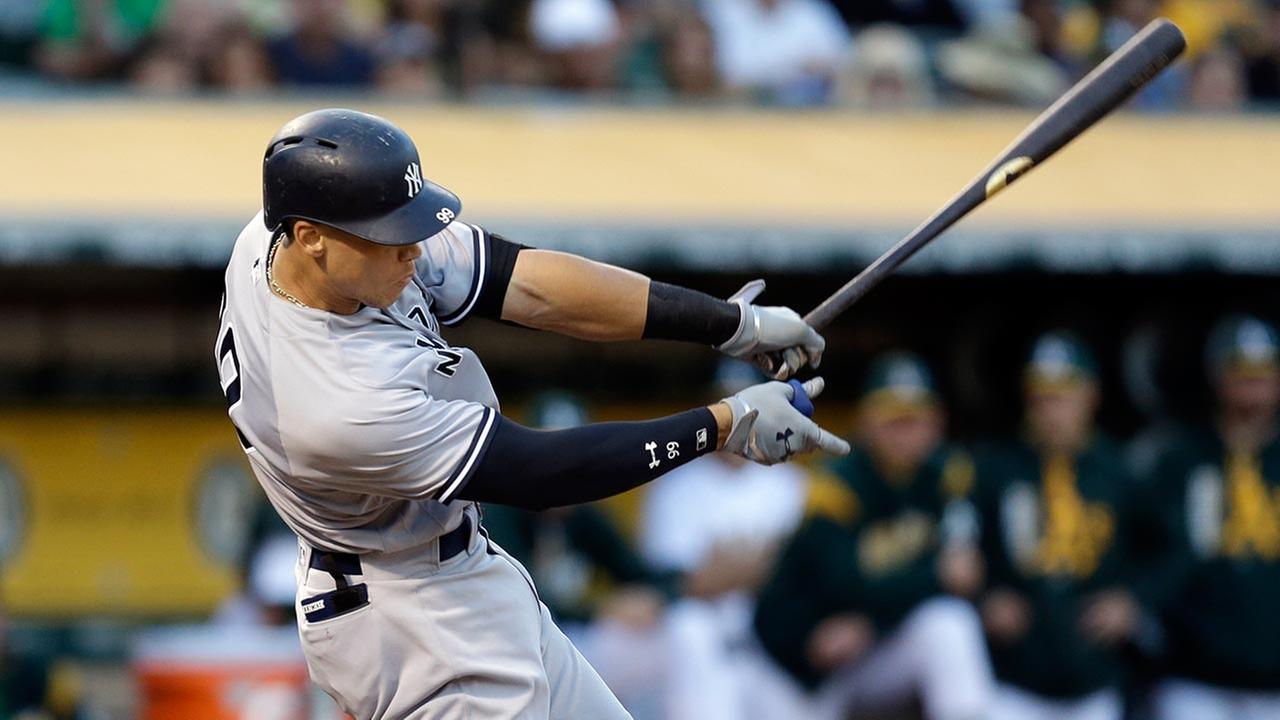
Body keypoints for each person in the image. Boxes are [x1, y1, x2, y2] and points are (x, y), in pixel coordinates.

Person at [214, 107, 848, 719]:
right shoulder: (336, 406)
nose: (412, 249)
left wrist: (730, 323)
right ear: (310, 238)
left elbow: (531, 285)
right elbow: (538, 471)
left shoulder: (280, 238)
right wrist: (723, 425)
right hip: (410, 618)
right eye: (388, 238)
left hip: (457, 574)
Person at [754, 352, 993, 720]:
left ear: (936, 422)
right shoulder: (835, 483)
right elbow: (845, 587)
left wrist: (873, 621)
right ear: (866, 421)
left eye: (914, 420)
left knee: (949, 624)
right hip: (796, 664)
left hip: (871, 643)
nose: (904, 432)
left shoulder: (949, 474)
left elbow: (965, 576)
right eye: (892, 420)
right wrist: (935, 576)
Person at [974, 332, 1150, 720]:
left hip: (1094, 681)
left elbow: (1164, 550)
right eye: (1041, 396)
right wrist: (985, 596)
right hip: (1013, 682)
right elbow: (965, 549)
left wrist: (1134, 600)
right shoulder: (996, 467)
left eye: (1063, 394)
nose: (1051, 408)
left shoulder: (1118, 470)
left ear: (1091, 395)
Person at [640, 359, 809, 720]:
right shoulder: (675, 485)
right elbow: (672, 588)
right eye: (729, 408)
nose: (740, 421)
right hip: (698, 652)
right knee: (690, 626)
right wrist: (759, 566)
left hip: (770, 652)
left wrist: (728, 573)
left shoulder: (791, 486)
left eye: (751, 410)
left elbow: (800, 578)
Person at [1147, 315, 1280, 720]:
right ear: (1218, 377)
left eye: (1262, 375)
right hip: (1194, 681)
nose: (1252, 388)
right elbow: (1147, 550)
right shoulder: (1181, 459)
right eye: (1240, 374)